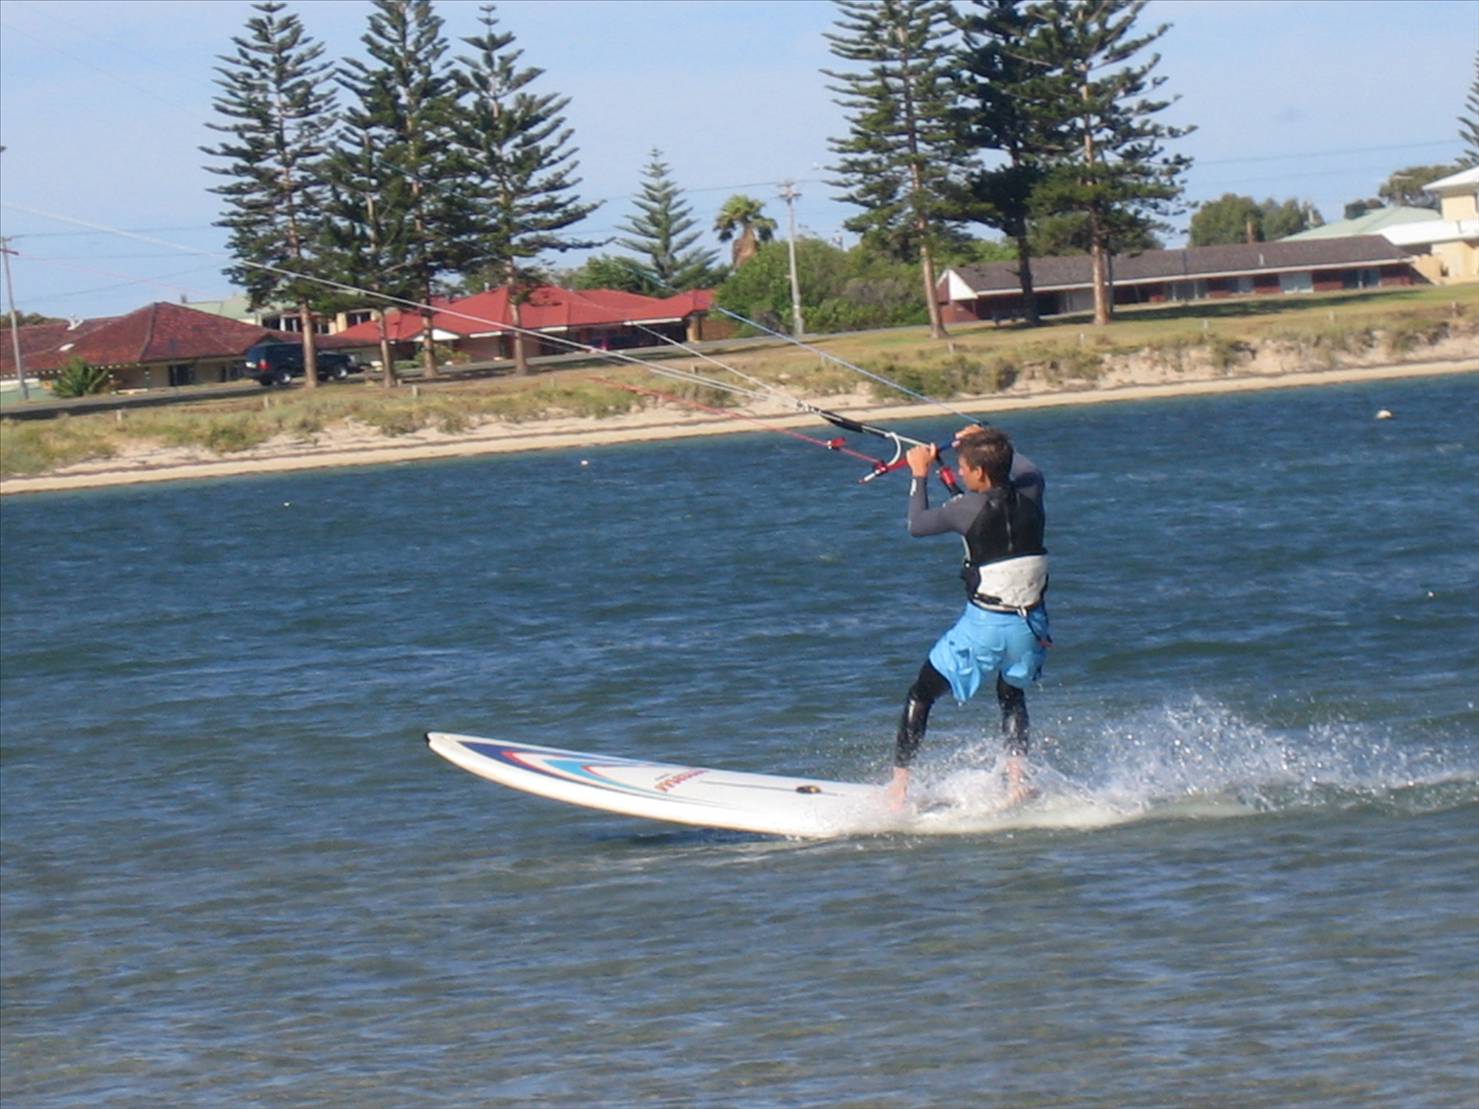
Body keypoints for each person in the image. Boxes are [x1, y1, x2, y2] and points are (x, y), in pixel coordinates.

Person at [885, 425, 1051, 811]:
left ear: (979, 473)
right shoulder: (1033, 491)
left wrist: (919, 473)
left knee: (921, 694)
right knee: (1011, 694)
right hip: (1030, 627)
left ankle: (897, 791)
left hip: (984, 628)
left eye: (963, 468)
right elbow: (1022, 467)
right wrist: (984, 435)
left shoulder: (964, 509)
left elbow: (917, 525)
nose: (960, 474)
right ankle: (1016, 782)